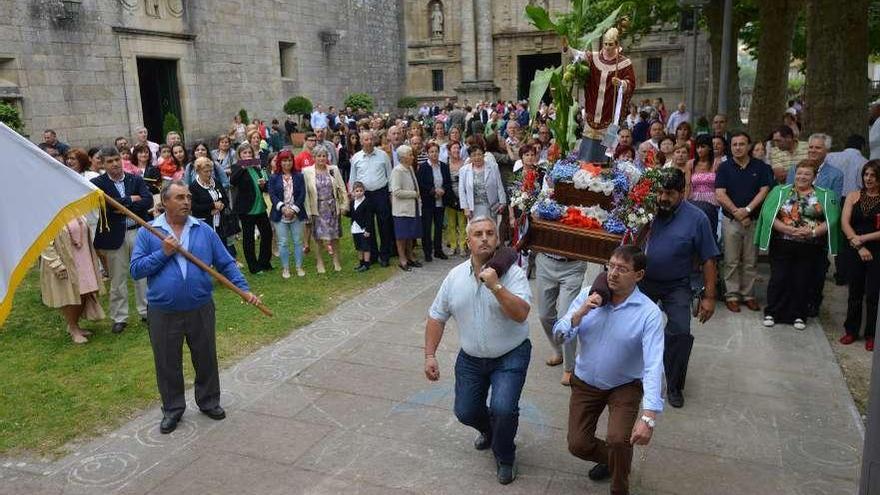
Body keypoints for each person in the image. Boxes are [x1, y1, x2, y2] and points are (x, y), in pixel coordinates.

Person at [131, 181, 261, 434]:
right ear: (165, 202)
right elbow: (136, 270)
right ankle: (172, 409)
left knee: (205, 357)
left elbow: (226, 263)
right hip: (163, 310)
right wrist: (164, 252)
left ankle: (209, 401)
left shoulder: (203, 230)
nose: (186, 201)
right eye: (179, 197)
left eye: (188, 197)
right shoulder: (149, 232)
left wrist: (244, 290)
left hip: (200, 306)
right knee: (167, 362)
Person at [424, 216, 532, 485]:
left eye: (490, 233)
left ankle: (505, 456)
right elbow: (437, 316)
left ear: (497, 240)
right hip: (471, 358)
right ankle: (491, 431)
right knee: (466, 411)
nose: (484, 238)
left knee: (503, 409)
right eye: (478, 234)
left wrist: (496, 285)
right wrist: (429, 355)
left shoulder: (514, 274)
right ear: (468, 241)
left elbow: (521, 314)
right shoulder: (454, 277)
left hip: (510, 354)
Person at [552, 245, 663, 495]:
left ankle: (619, 486)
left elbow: (655, 364)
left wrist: (649, 417)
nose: (612, 273)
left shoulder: (649, 313)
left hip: (625, 385)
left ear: (639, 275)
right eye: (610, 266)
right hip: (585, 382)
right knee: (578, 445)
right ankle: (614, 458)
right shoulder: (587, 295)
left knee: (617, 439)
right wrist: (579, 313)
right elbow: (559, 336)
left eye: (622, 269)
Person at [640, 168, 720, 408]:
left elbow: (709, 259)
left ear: (683, 192)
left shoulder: (697, 218)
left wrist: (709, 297)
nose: (663, 198)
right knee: (630, 326)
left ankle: (674, 385)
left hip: (677, 285)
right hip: (642, 281)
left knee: (680, 332)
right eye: (660, 192)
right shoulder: (644, 210)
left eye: (670, 193)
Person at [756, 159, 840, 331]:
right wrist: (787, 229)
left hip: (810, 246)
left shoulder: (825, 195)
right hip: (782, 244)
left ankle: (799, 315)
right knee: (779, 278)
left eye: (807, 174)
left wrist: (813, 232)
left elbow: (832, 219)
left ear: (814, 177)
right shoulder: (780, 191)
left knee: (802, 281)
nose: (802, 177)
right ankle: (772, 312)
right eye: (799, 173)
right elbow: (768, 214)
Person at [91, 147, 154, 333]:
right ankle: (120, 317)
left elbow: (148, 201)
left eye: (117, 159)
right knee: (117, 278)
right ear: (103, 163)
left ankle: (146, 311)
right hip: (114, 236)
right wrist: (130, 200)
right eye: (110, 161)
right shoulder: (98, 184)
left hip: (137, 232)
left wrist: (122, 202)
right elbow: (106, 208)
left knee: (141, 274)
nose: (115, 164)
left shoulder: (135, 179)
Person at [715, 132, 774, 312]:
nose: (738, 147)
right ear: (730, 147)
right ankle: (732, 294)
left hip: (753, 220)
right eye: (734, 144)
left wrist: (747, 210)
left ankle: (748, 294)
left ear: (749, 146)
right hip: (731, 219)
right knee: (731, 260)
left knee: (751, 260)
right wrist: (736, 212)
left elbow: (764, 191)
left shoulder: (761, 167)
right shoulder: (725, 167)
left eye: (742, 144)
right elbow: (720, 193)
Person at [562, 27, 636, 161]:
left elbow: (630, 83)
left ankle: (605, 168)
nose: (607, 47)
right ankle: (585, 168)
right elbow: (580, 55)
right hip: (592, 111)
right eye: (605, 44)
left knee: (606, 152)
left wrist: (621, 83)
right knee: (588, 150)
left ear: (617, 44)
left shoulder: (624, 63)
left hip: (610, 114)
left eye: (611, 44)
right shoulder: (594, 58)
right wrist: (568, 48)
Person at [40, 216, 105, 344]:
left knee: (85, 293)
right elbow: (44, 243)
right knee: (70, 296)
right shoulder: (50, 215)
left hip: (84, 259)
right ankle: (73, 329)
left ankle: (75, 325)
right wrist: (56, 264)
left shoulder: (76, 211)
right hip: (66, 262)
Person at [839, 160, 880, 351]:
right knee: (854, 292)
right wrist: (857, 242)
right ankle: (851, 331)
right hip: (855, 248)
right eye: (866, 174)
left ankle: (872, 334)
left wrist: (862, 238)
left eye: (873, 175)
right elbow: (845, 222)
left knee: (873, 294)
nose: (868, 178)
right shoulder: (854, 196)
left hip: (876, 251)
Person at [349, 130, 394, 267]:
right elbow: (353, 178)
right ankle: (372, 255)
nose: (368, 142)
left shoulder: (383, 155)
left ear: (374, 140)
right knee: (367, 226)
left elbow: (390, 175)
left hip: (381, 193)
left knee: (384, 224)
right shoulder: (356, 158)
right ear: (361, 141)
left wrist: (391, 192)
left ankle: (385, 254)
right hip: (364, 195)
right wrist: (353, 195)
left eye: (370, 139)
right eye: (365, 140)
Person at [303, 146, 348, 273]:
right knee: (318, 237)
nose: (322, 158)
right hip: (317, 208)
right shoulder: (306, 172)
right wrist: (308, 212)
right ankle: (320, 262)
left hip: (332, 207)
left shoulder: (333, 169)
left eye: (324, 156)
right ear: (314, 158)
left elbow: (342, 188)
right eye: (319, 156)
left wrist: (345, 205)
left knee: (335, 236)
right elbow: (306, 194)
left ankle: (336, 261)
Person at [230, 143, 273, 274]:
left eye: (249, 153)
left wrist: (263, 185)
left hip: (260, 207)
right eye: (244, 153)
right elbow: (233, 181)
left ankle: (264, 262)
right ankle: (254, 267)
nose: (248, 156)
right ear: (240, 155)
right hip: (247, 209)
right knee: (248, 238)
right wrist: (243, 166)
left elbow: (265, 187)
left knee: (267, 234)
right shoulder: (237, 167)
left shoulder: (256, 167)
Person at [269, 150, 307, 279]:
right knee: (283, 243)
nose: (287, 163)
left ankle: (298, 266)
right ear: (280, 162)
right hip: (280, 214)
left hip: (296, 213)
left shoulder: (299, 176)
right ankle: (285, 268)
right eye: (284, 160)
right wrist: (283, 208)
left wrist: (294, 209)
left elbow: (302, 194)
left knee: (297, 241)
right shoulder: (274, 177)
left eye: (290, 160)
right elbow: (272, 195)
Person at [189, 157, 235, 257]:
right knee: (206, 246)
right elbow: (193, 207)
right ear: (198, 171)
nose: (209, 174)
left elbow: (226, 199)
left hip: (221, 221)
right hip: (205, 222)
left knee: (223, 243)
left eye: (210, 171)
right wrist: (212, 206)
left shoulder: (216, 182)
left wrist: (221, 205)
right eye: (206, 171)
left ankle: (226, 262)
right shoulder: (194, 187)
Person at [418, 141, 452, 262]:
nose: (434, 154)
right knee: (427, 228)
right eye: (431, 152)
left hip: (441, 201)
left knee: (439, 227)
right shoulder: (423, 168)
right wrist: (433, 191)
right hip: (428, 202)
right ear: (427, 153)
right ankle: (427, 252)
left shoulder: (443, 166)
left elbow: (448, 182)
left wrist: (443, 189)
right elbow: (421, 185)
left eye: (436, 151)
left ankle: (438, 250)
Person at [390, 145, 423, 271]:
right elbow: (396, 191)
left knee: (410, 234)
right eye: (410, 155)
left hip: (412, 207)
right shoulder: (397, 171)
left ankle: (410, 256)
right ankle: (402, 259)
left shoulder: (409, 168)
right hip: (402, 209)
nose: (412, 157)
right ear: (403, 158)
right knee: (402, 236)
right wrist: (414, 194)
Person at [459, 144, 507, 221]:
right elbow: (462, 191)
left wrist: (502, 202)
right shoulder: (463, 170)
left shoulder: (493, 167)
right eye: (474, 155)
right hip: (473, 208)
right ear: (470, 157)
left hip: (491, 207)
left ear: (483, 155)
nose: (477, 157)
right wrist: (465, 208)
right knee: (476, 230)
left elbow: (499, 185)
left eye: (479, 154)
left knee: (490, 229)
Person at [689, 134, 720, 239]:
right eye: (697, 147)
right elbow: (687, 185)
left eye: (703, 147)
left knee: (711, 233)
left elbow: (720, 185)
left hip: (713, 202)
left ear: (709, 147)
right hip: (694, 201)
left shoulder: (717, 163)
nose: (699, 150)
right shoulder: (691, 164)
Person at [348, 182, 375, 272]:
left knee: (366, 247)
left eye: (361, 190)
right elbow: (351, 214)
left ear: (364, 191)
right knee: (358, 247)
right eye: (357, 191)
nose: (359, 192)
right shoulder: (352, 203)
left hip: (363, 228)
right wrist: (344, 212)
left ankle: (367, 264)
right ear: (353, 192)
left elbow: (369, 218)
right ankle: (361, 263)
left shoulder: (366, 202)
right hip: (355, 228)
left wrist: (367, 229)